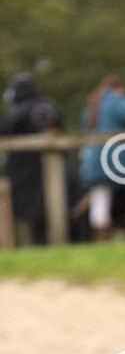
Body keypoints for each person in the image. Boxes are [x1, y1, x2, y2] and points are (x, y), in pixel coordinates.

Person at [79, 75, 125, 240]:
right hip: (117, 159)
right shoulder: (116, 100)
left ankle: (101, 236)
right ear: (119, 88)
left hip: (93, 161)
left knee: (100, 200)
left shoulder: (92, 105)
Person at [0, 73, 61, 245]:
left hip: (24, 173)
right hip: (51, 172)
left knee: (29, 216)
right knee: (52, 210)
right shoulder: (49, 106)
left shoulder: (14, 113)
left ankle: (35, 246)